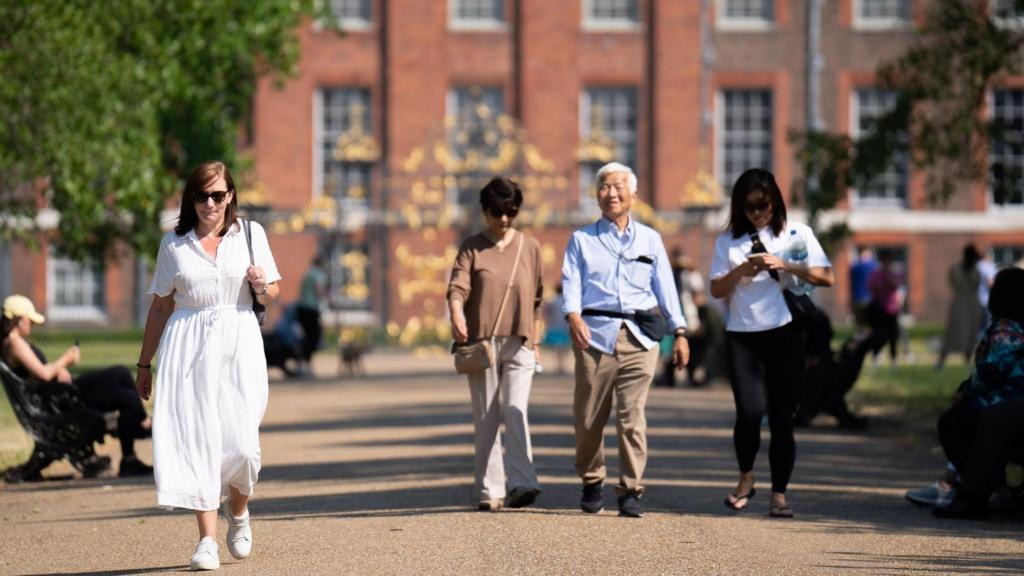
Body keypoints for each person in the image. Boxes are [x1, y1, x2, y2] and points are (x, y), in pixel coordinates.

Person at [135, 161, 281, 571]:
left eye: (218, 195)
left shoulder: (249, 235)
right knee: (199, 440)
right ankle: (206, 541)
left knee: (242, 446)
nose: (210, 203)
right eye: (202, 195)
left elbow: (272, 291)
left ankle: (239, 512)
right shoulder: (174, 244)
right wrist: (144, 363)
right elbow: (162, 305)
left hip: (240, 345)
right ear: (191, 198)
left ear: (231, 195)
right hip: (188, 348)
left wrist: (259, 287)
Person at [561, 162, 689, 518]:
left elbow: (666, 288)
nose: (611, 193)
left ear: (634, 195)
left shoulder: (650, 239)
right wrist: (572, 316)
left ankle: (630, 489)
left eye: (618, 187)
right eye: (604, 187)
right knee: (589, 418)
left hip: (640, 338)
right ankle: (591, 480)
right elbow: (570, 281)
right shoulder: (582, 239)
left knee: (632, 417)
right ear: (596, 194)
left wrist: (679, 332)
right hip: (594, 337)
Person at [709, 168, 834, 518]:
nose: (757, 213)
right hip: (743, 337)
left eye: (763, 205)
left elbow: (827, 275)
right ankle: (746, 477)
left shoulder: (798, 233)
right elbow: (716, 289)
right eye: (748, 208)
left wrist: (786, 265)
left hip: (786, 334)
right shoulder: (728, 241)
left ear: (775, 201)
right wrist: (739, 273)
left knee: (782, 418)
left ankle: (779, 493)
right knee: (749, 413)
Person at [447, 176, 543, 512]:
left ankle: (523, 482)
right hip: (482, 345)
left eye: (511, 212)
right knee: (487, 418)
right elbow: (457, 287)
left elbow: (538, 299)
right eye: (496, 212)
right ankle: (490, 490)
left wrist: (537, 341)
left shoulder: (530, 247)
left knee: (516, 412)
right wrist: (457, 314)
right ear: (484, 211)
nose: (503, 220)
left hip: (520, 343)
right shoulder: (472, 246)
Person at [1, 294, 153, 477]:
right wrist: (66, 359)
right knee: (127, 397)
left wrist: (57, 369)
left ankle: (140, 424)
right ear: (19, 320)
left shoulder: (13, 342)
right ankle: (133, 448)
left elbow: (37, 374)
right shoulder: (15, 343)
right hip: (62, 401)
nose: (32, 325)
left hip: (60, 394)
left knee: (121, 372)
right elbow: (43, 374)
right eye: (30, 321)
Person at [932, 267, 1024, 518]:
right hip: (1010, 401)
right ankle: (994, 488)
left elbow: (992, 369)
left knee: (953, 423)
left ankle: (979, 491)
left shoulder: (1007, 329)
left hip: (1004, 399)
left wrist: (966, 391)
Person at [936, 244, 984, 370]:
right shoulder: (961, 269)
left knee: (970, 334)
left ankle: (966, 361)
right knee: (953, 333)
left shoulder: (971, 270)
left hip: (969, 304)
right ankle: (942, 361)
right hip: (962, 303)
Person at [865, 248, 904, 368]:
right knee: (877, 335)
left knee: (893, 336)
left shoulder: (894, 273)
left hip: (891, 309)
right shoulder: (876, 274)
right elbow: (872, 287)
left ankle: (893, 359)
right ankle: (876, 358)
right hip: (879, 309)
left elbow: (895, 285)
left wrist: (888, 275)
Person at [295, 254, 327, 376]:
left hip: (302, 308)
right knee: (313, 338)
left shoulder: (308, 273)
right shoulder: (318, 274)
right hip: (311, 309)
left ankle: (303, 364)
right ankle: (306, 364)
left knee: (306, 337)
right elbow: (319, 290)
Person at [541, 286, 571, 375]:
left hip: (554, 326)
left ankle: (558, 366)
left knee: (557, 348)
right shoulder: (566, 301)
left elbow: (546, 313)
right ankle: (563, 366)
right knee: (564, 349)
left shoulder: (553, 301)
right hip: (564, 326)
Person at [848, 248, 877, 331]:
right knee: (869, 323)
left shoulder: (854, 268)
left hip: (856, 298)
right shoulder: (873, 266)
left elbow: (851, 283)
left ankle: (860, 339)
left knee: (859, 324)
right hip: (870, 298)